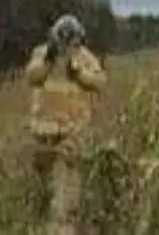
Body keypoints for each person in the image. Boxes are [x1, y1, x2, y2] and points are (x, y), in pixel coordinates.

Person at [25, 14, 106, 217]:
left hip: (72, 126)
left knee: (68, 169)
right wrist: (48, 63)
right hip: (43, 127)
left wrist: (79, 74)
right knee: (42, 169)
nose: (66, 47)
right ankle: (42, 209)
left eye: (71, 42)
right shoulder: (42, 54)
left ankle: (65, 215)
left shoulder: (85, 57)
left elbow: (99, 82)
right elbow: (32, 77)